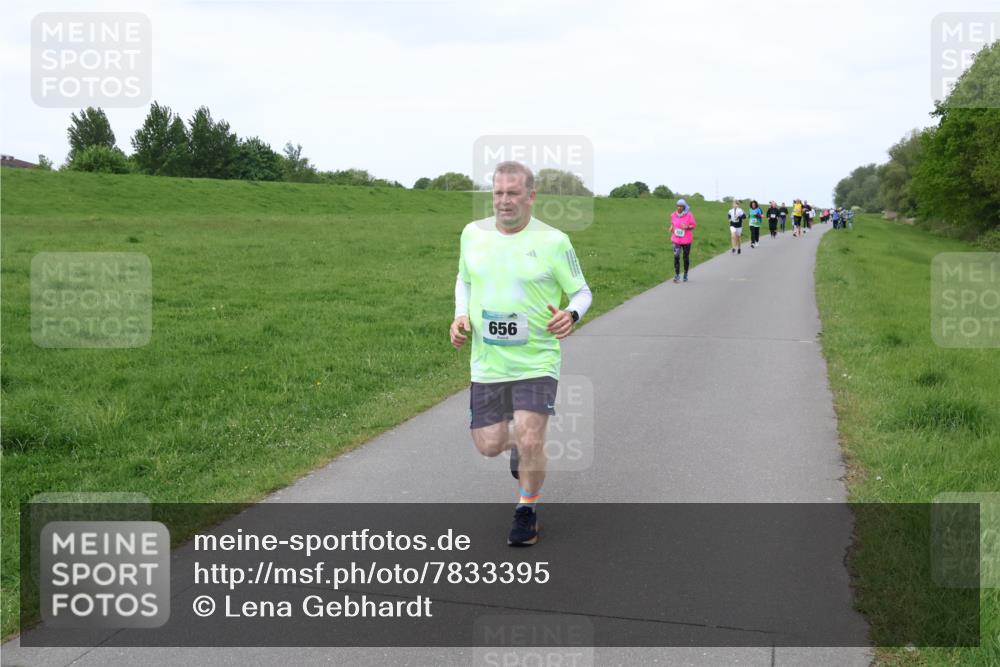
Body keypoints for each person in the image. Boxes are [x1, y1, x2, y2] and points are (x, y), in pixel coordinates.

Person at [450, 161, 592, 547]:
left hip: (536, 359)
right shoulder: (472, 235)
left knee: (530, 438)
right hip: (488, 362)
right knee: (488, 444)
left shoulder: (554, 241)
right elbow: (464, 280)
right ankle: (523, 448)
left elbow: (582, 291)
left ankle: (526, 510)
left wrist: (571, 314)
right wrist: (460, 316)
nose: (504, 200)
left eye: (513, 193)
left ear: (531, 197)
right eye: (498, 193)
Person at [670, 198, 697, 282]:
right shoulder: (673, 215)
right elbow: (673, 223)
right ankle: (677, 275)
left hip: (686, 240)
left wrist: (687, 227)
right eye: (678, 206)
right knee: (676, 257)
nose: (679, 208)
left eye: (681, 206)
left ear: (684, 207)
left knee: (685, 257)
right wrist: (671, 227)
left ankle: (685, 274)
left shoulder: (689, 215)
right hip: (676, 240)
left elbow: (693, 225)